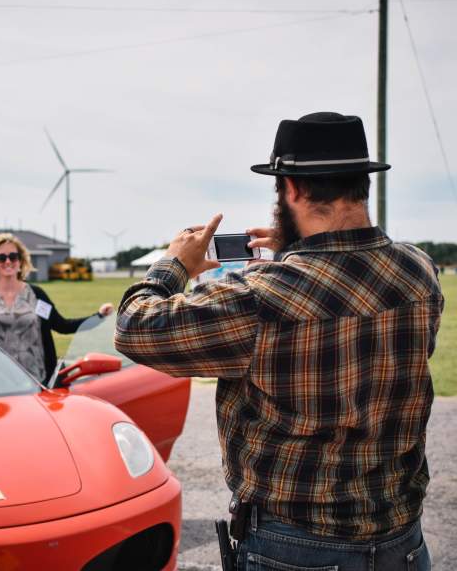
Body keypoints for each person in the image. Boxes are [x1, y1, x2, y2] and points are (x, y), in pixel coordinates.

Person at [115, 112, 444, 570]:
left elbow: (134, 326)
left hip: (296, 547)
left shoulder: (262, 296)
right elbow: (349, 280)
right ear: (362, 183)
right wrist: (295, 250)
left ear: (294, 189)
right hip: (402, 541)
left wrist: (175, 265)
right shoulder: (418, 271)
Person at [0, 232, 113, 384]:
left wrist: (99, 316)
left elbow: (62, 325)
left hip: (36, 382)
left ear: (21, 261)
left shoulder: (37, 296)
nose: (8, 261)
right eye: (1, 257)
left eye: (13, 256)